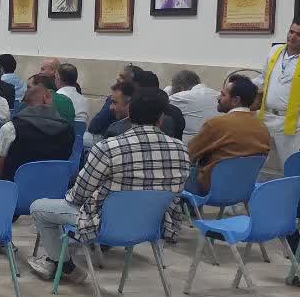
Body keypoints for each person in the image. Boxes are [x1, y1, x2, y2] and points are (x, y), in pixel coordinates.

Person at [26, 88, 189, 282]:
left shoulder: (108, 148)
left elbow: (79, 195)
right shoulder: (181, 150)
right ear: (161, 118)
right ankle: (58, 260)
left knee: (39, 207)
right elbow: (175, 194)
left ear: (129, 113)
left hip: (106, 225)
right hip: (151, 225)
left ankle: (65, 265)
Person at [187, 75, 272, 194]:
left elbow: (189, 154)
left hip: (211, 190)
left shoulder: (215, 124)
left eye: (223, 95)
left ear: (236, 100)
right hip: (244, 190)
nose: (218, 97)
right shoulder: (262, 127)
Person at [0, 75, 73, 180]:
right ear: (46, 98)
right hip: (53, 187)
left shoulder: (11, 128)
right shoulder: (68, 130)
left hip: (14, 188)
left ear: (25, 103)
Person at [258, 20, 300, 170]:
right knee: (258, 162)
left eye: (298, 34)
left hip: (290, 122)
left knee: (290, 167)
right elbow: (263, 78)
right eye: (291, 32)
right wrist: (243, 84)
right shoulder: (275, 51)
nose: (292, 37)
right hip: (266, 118)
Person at [167, 70, 220, 140]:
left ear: (180, 88)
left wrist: (170, 91)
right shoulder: (218, 95)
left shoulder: (182, 97)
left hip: (193, 144)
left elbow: (160, 102)